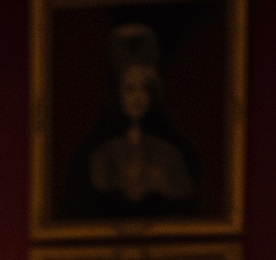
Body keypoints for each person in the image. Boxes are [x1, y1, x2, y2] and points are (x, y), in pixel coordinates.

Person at [64, 24, 202, 221]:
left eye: (144, 89)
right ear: (117, 93)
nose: (138, 98)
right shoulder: (99, 152)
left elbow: (185, 209)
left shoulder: (171, 152)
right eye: (129, 89)